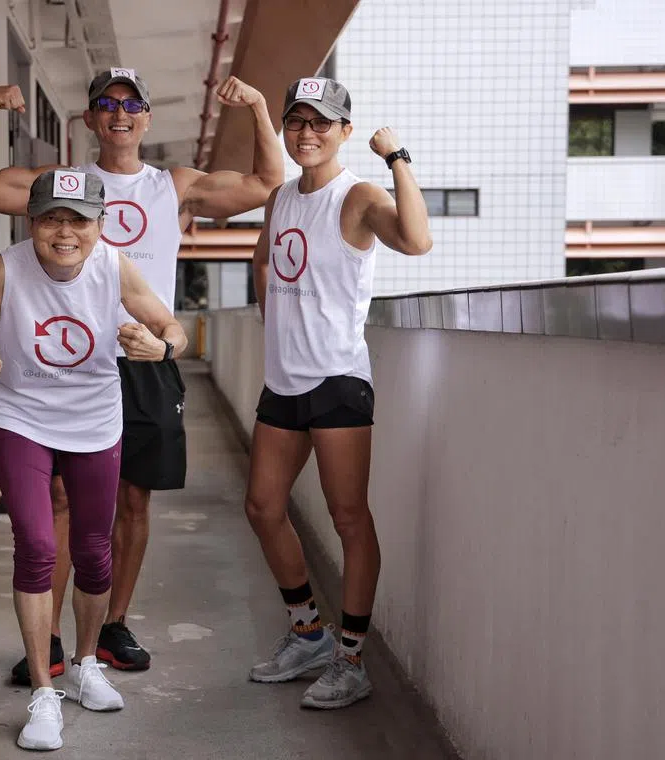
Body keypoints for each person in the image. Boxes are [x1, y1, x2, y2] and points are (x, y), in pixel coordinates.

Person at [0, 68, 284, 682]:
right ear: (89, 120)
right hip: (65, 357)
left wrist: (261, 106)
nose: (120, 113)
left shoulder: (173, 185)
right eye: (107, 104)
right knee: (57, 500)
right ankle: (46, 636)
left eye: (132, 104)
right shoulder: (59, 187)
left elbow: (268, 183)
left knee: (133, 499)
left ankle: (112, 625)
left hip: (143, 351)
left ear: (148, 119)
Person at [0, 169, 188, 751]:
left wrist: (161, 346)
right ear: (31, 222)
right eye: (52, 218)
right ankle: (43, 690)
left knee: (92, 549)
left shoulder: (114, 266)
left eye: (79, 219)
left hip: (95, 421)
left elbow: (170, 326)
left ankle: (87, 662)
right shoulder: (5, 269)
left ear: (100, 224)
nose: (66, 232)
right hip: (23, 419)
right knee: (37, 546)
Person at [244, 77, 432, 709]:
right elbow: (265, 261)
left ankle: (352, 660)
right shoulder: (280, 198)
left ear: (344, 131)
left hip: (337, 381)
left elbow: (416, 240)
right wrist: (274, 320)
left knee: (348, 517)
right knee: (263, 508)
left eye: (321, 123)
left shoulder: (358, 195)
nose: (307, 132)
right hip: (283, 380)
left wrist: (398, 159)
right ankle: (309, 634)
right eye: (297, 121)